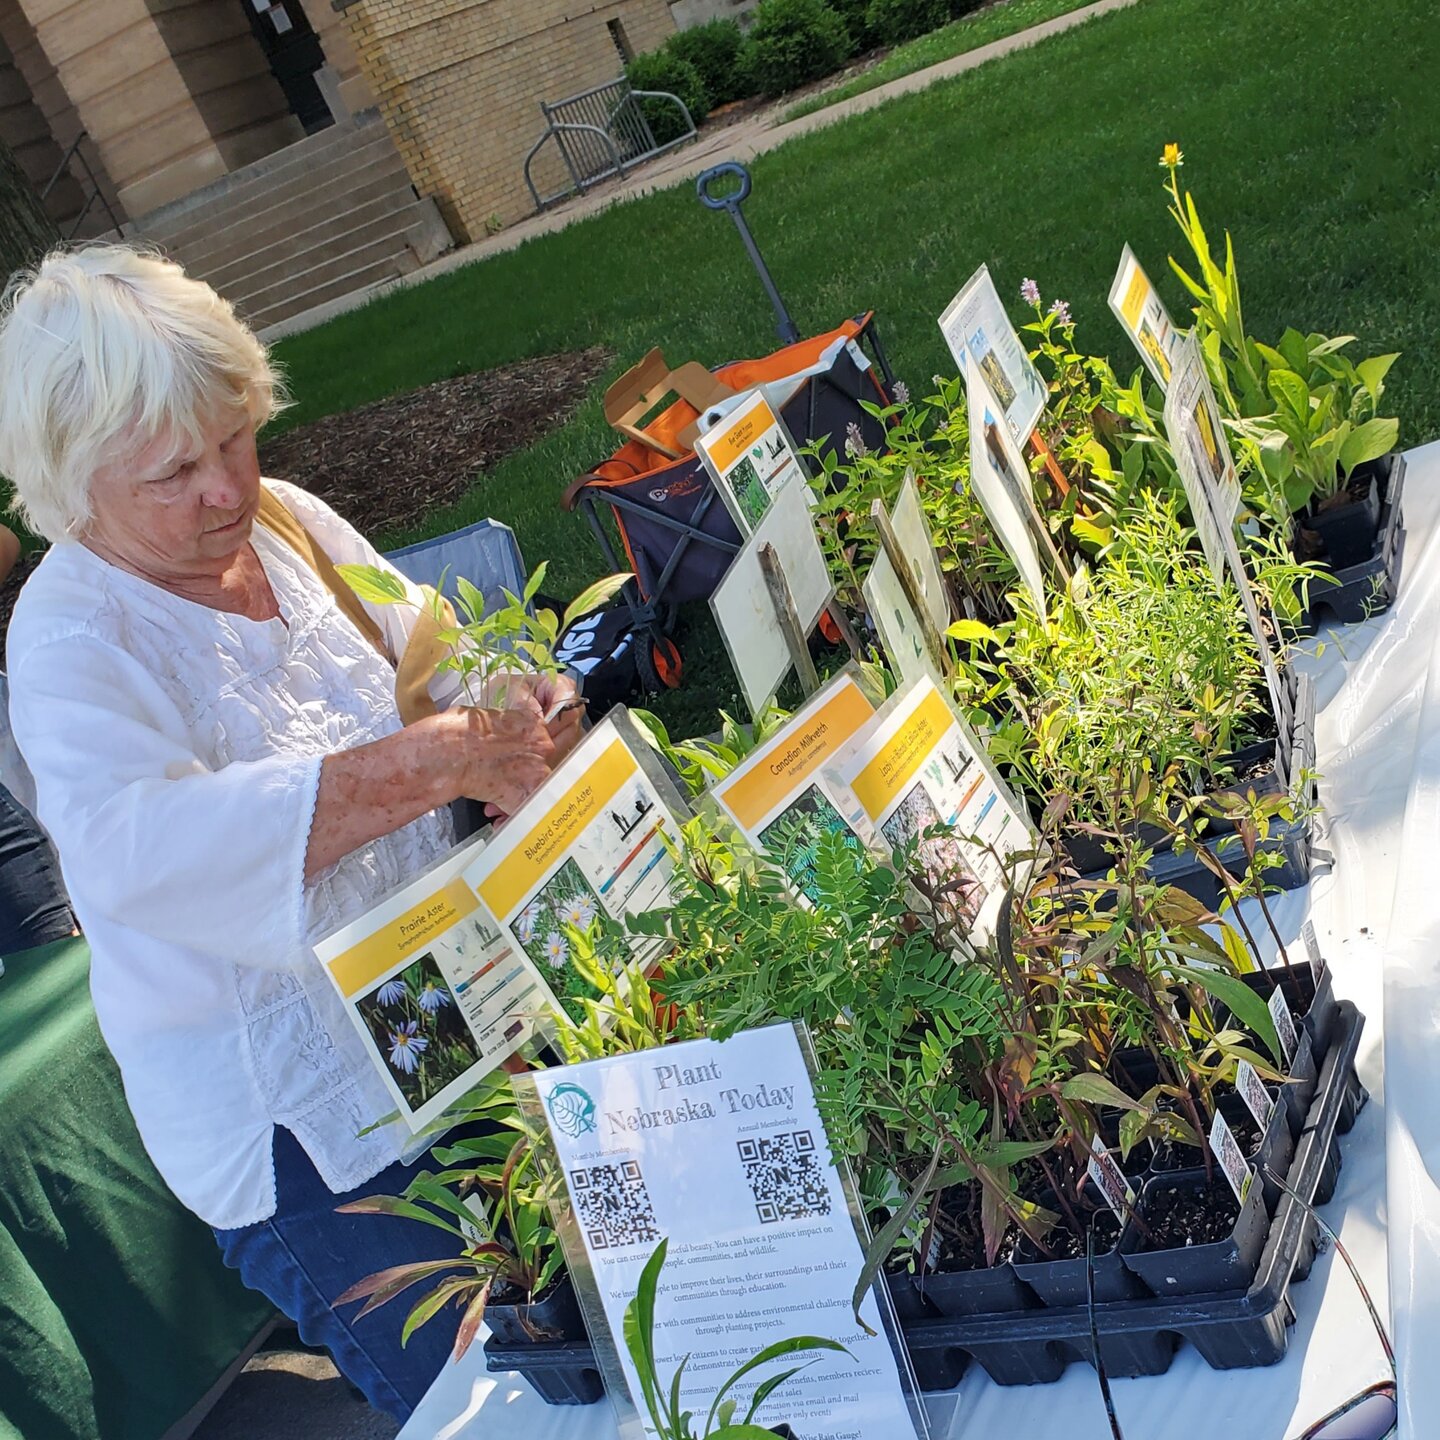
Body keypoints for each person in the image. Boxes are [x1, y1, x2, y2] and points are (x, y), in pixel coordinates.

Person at [0, 245, 583, 1421]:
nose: (226, 488)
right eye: (176, 470)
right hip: (305, 1127)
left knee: (594, 1325)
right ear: (72, 483)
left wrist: (520, 708)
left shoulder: (280, 521)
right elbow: (146, 850)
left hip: (446, 1018)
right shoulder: (69, 643)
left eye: (236, 436)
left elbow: (424, 652)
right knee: (496, 1404)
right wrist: (437, 760)